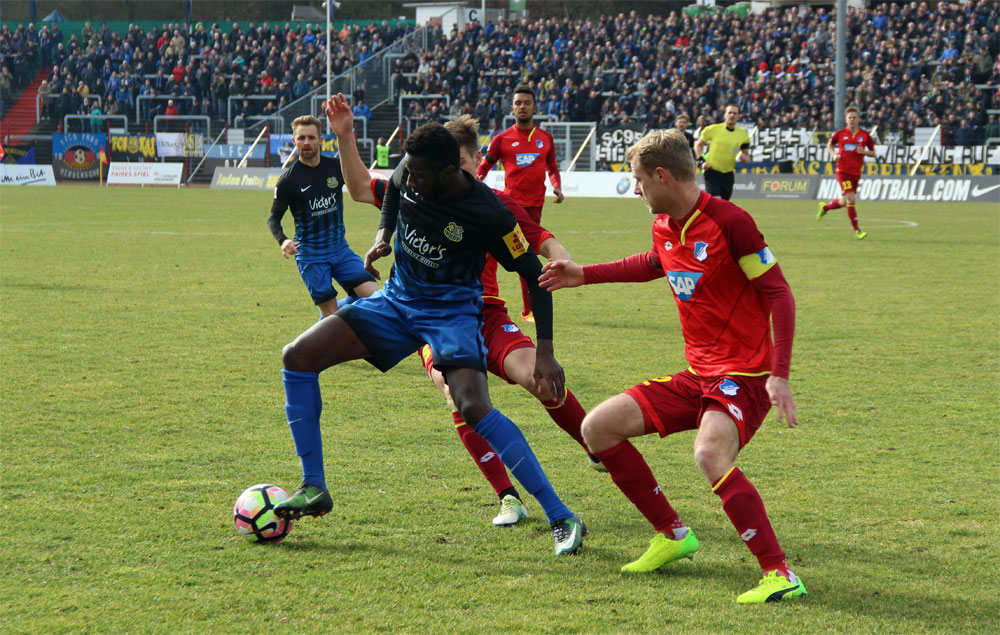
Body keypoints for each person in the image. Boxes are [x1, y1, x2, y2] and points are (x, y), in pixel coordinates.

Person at [273, 120, 586, 557]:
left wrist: (547, 352)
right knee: (297, 357)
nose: (409, 176)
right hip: (396, 301)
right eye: (410, 169)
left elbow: (535, 277)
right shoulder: (412, 171)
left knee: (474, 406)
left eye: (419, 173)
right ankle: (313, 487)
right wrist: (384, 236)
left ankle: (560, 514)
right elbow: (396, 190)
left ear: (447, 172)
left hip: (453, 313)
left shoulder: (489, 214)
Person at [539, 129, 805, 603]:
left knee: (710, 455)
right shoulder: (665, 224)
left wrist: (779, 373)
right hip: (699, 373)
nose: (635, 189)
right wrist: (584, 275)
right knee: (598, 427)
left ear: (662, 175)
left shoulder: (731, 222)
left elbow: (779, 294)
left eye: (638, 180)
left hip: (743, 375)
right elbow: (654, 262)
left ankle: (780, 573)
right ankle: (672, 534)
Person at [402, 114, 599, 527]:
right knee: (456, 396)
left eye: (462, 160)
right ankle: (508, 497)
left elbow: (538, 237)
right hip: (436, 320)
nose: (454, 170)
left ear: (475, 159)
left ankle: (593, 442)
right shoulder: (418, 196)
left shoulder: (492, 204)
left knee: (541, 380)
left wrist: (561, 256)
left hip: (487, 313)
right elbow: (370, 192)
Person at [267, 114, 379, 318]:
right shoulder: (288, 181)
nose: (306, 142)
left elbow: (362, 186)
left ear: (321, 140)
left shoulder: (336, 167)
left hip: (340, 250)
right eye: (301, 138)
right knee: (332, 320)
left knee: (377, 300)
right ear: (294, 141)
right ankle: (319, 344)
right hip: (311, 256)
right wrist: (283, 241)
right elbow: (273, 218)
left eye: (311, 137)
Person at [476, 84, 563, 323]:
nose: (522, 107)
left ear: (535, 107)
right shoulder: (502, 139)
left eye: (526, 103)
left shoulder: (545, 139)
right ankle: (487, 298)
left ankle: (529, 310)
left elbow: (552, 167)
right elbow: (484, 165)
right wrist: (475, 180)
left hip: (534, 208)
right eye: (518, 103)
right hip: (508, 208)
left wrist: (557, 185)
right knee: (491, 254)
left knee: (527, 258)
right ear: (512, 108)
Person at [818, 106, 876, 240]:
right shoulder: (840, 134)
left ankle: (825, 208)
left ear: (859, 119)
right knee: (851, 199)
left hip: (856, 173)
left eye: (855, 117)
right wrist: (833, 155)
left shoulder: (865, 135)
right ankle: (857, 230)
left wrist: (865, 152)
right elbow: (829, 144)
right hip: (842, 171)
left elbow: (873, 153)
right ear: (846, 119)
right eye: (850, 117)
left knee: (845, 201)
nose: (852, 120)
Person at [693, 104, 751, 201]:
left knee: (723, 205)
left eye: (735, 113)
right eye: (729, 113)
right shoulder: (713, 129)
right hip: (712, 171)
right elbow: (697, 145)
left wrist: (745, 158)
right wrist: (702, 161)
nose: (732, 115)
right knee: (717, 201)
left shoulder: (743, 135)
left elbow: (746, 156)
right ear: (725, 115)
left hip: (728, 174)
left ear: (738, 116)